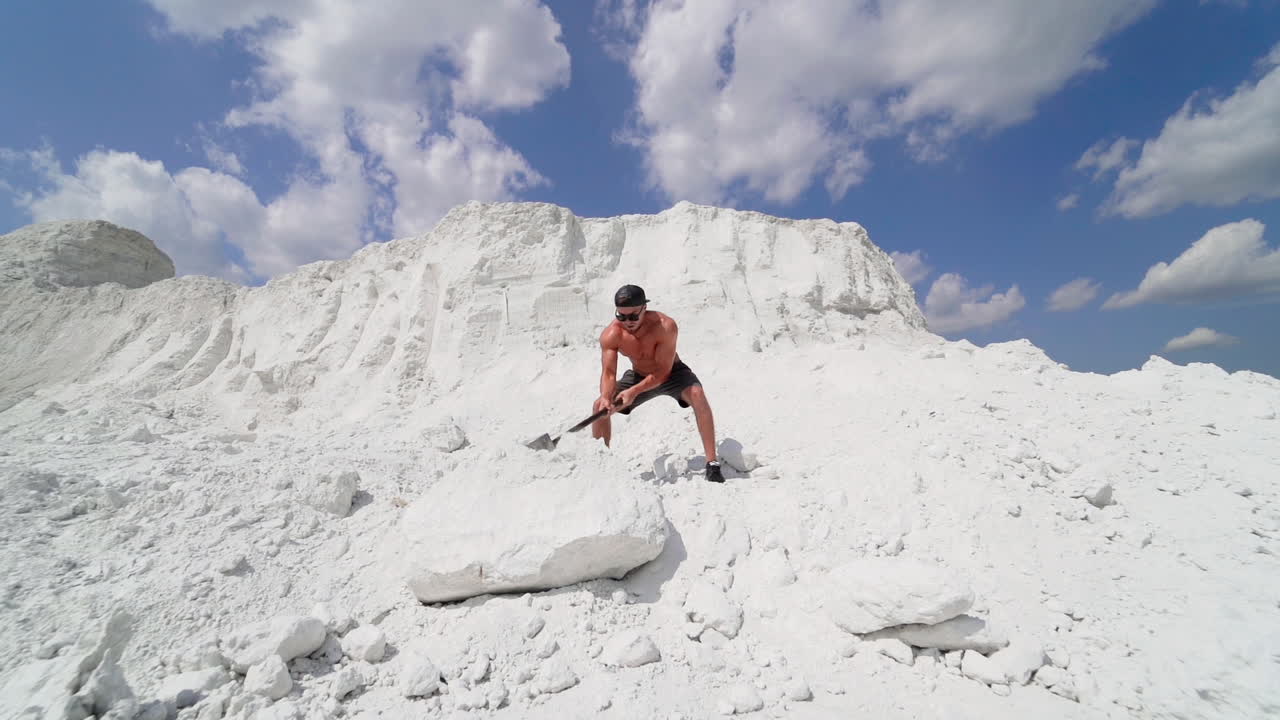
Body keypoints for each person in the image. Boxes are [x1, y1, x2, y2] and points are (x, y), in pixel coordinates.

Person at [591, 284, 724, 483]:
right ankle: (600, 467)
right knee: (599, 408)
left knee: (697, 394)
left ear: (644, 308)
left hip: (672, 372)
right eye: (621, 316)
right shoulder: (612, 334)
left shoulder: (665, 326)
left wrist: (634, 392)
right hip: (639, 375)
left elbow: (663, 372)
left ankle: (712, 463)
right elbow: (609, 373)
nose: (627, 322)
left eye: (633, 316)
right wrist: (606, 397)